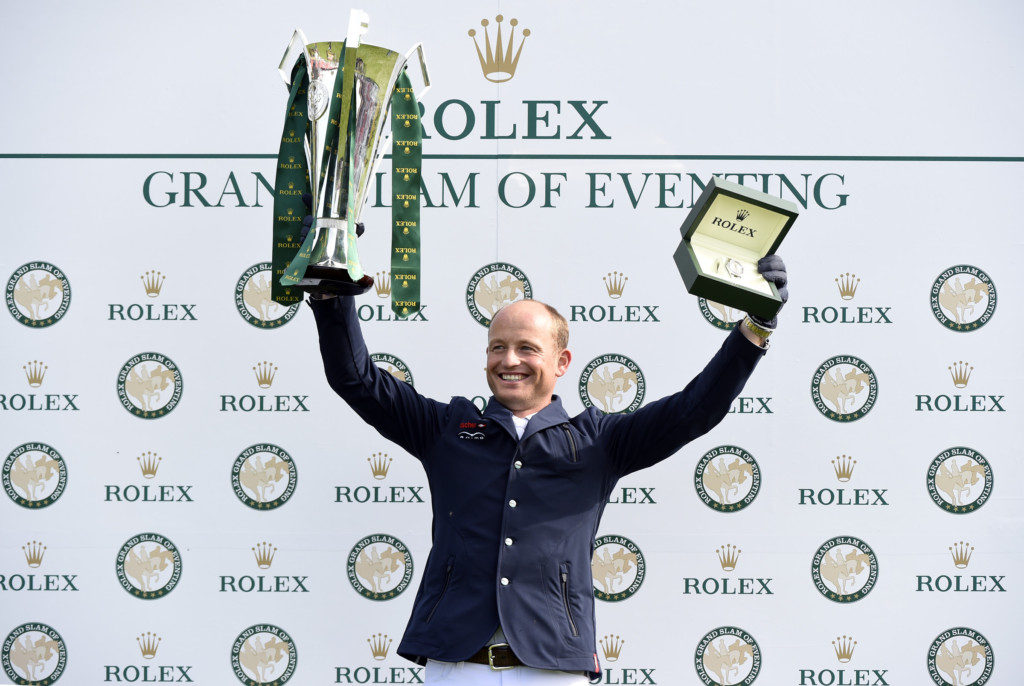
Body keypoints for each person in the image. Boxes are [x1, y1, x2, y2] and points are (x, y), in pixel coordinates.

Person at [308, 256, 786, 685]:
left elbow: (693, 410)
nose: (509, 360)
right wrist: (331, 297)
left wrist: (754, 329)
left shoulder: (601, 441)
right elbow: (357, 380)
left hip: (553, 672)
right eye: (497, 347)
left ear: (561, 362)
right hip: (453, 667)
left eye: (526, 348)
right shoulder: (446, 428)